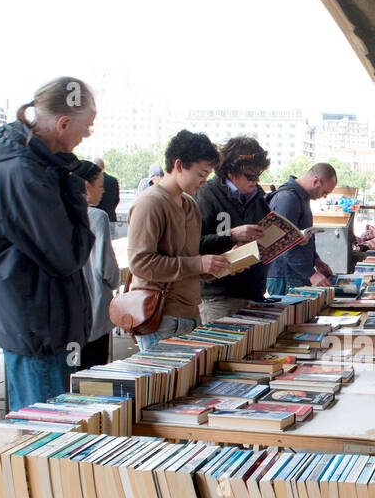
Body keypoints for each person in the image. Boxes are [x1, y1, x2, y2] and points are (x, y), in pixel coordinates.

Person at [0, 76, 135, 498]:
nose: (87, 138)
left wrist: (63, 174)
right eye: (86, 128)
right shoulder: (27, 173)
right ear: (62, 123)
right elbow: (66, 253)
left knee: (30, 442)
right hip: (40, 325)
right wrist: (77, 191)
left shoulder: (8, 162)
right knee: (55, 445)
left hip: (27, 321)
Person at [127, 130, 228, 351]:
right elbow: (140, 263)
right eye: (201, 174)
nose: (204, 182)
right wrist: (198, 264)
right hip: (160, 317)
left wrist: (215, 268)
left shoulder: (190, 205)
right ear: (179, 165)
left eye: (207, 176)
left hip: (190, 315)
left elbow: (187, 260)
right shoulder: (150, 203)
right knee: (162, 385)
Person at [197, 136, 269, 322]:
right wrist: (232, 235)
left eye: (258, 175)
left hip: (253, 294)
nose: (255, 181)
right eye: (250, 176)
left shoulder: (258, 197)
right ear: (230, 171)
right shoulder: (206, 194)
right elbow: (195, 244)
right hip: (219, 297)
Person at [74, 160, 121, 367]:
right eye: (100, 185)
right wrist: (115, 282)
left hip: (69, 315)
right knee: (95, 374)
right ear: (86, 186)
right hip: (95, 310)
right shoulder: (97, 217)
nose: (103, 191)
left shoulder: (55, 215)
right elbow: (108, 270)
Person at [265, 163, 337, 294]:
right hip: (285, 275)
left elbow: (303, 237)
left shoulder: (300, 198)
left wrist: (316, 260)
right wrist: (310, 274)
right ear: (316, 181)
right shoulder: (288, 199)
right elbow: (284, 244)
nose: (325, 196)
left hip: (295, 273)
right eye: (325, 192)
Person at [94, 156, 120, 224]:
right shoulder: (113, 180)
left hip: (97, 219)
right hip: (111, 217)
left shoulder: (94, 180)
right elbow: (117, 199)